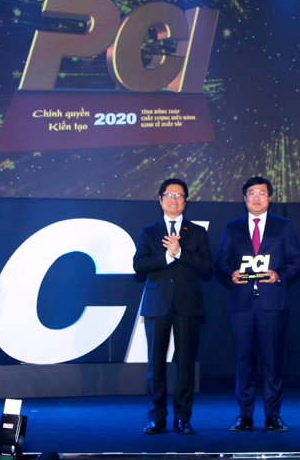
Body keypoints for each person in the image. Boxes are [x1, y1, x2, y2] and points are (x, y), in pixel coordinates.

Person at [214, 176, 300, 432]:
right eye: (252, 193)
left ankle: (273, 416)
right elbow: (220, 261)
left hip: (272, 304)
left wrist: (278, 274)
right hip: (242, 304)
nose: (257, 197)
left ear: (269, 197)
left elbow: (297, 260)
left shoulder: (283, 226)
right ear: (244, 198)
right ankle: (244, 416)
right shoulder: (233, 227)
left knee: (273, 362)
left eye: (262, 193)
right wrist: (230, 273)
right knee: (244, 361)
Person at [133, 178, 212, 435]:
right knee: (155, 364)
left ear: (185, 201)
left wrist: (179, 253)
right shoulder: (149, 231)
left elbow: (206, 265)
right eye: (169, 195)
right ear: (160, 200)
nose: (174, 200)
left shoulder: (197, 232)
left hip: (188, 305)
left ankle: (182, 417)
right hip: (157, 305)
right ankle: (156, 417)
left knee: (186, 364)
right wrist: (167, 256)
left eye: (179, 196)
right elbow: (139, 264)